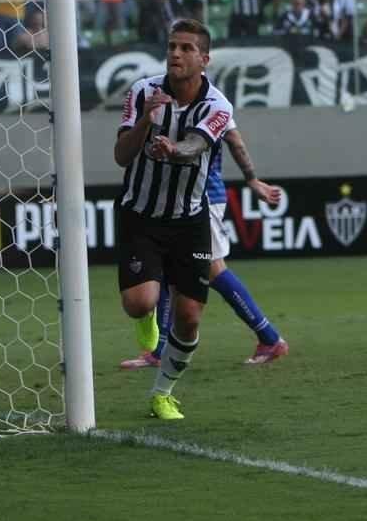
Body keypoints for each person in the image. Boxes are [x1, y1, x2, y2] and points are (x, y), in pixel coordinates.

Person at [113, 19, 234, 421]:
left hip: (189, 219)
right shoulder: (142, 91)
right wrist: (147, 120)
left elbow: (197, 144)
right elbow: (121, 155)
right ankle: (146, 317)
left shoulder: (217, 105)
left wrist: (173, 149)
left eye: (185, 48)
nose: (176, 54)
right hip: (141, 214)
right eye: (171, 46)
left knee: (189, 317)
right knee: (138, 302)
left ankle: (162, 393)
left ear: (204, 59)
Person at [119, 126, 290, 369]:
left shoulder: (210, 102)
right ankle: (160, 350)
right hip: (181, 200)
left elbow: (235, 140)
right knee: (168, 268)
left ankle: (270, 337)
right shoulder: (184, 100)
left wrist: (252, 180)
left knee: (214, 268)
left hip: (203, 199)